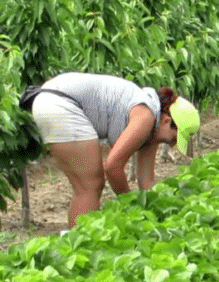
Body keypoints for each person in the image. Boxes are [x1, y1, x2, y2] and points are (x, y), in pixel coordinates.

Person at [31, 72, 200, 228]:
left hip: (52, 99)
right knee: (90, 187)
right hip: (61, 103)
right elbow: (112, 167)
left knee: (88, 187)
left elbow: (146, 181)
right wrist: (130, 203)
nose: (172, 144)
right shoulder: (145, 116)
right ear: (166, 121)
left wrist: (167, 212)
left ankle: (77, 242)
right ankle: (77, 246)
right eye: (174, 137)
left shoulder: (153, 124)